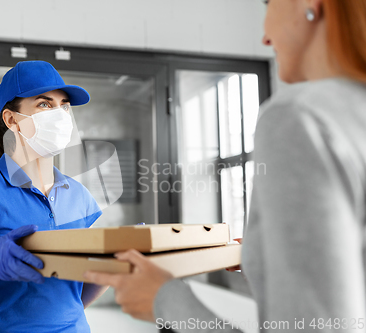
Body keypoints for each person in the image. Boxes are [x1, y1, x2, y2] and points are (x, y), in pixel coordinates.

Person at [84, 0, 366, 331]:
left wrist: (165, 300)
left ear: (307, 5)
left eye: (269, 5)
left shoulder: (299, 118)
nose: (264, 37)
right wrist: (268, 257)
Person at [0, 60, 108, 333]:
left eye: (64, 106)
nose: (60, 115)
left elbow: (73, 299)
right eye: (44, 104)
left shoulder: (79, 196)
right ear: (12, 120)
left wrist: (114, 268)